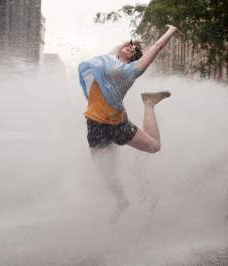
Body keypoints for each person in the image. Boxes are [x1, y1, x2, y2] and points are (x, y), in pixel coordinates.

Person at [78, 25, 181, 222]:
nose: (130, 48)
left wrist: (170, 30)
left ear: (134, 59)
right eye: (129, 46)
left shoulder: (132, 70)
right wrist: (129, 42)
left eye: (133, 51)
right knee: (106, 173)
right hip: (95, 126)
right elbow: (119, 46)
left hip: (118, 125)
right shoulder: (106, 61)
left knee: (155, 146)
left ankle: (149, 104)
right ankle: (121, 201)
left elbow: (157, 47)